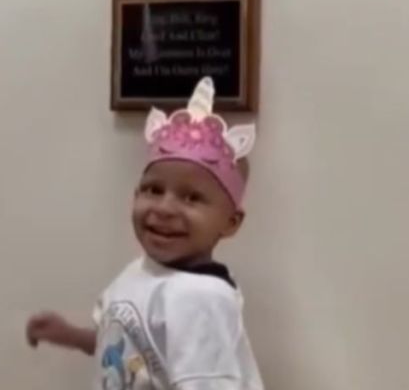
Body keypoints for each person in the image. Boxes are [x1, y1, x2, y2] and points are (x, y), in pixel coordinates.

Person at [26, 77, 264, 390]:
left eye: (191, 197)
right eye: (153, 190)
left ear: (230, 222)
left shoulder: (202, 300)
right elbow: (125, 345)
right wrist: (71, 335)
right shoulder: (140, 272)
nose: (164, 208)